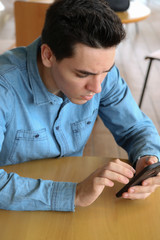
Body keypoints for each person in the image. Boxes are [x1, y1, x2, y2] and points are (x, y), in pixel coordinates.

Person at [0, 0, 160, 212]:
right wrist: (73, 194)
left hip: (72, 205)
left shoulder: (100, 73)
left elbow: (136, 128)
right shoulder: (5, 86)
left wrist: (147, 159)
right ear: (48, 55)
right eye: (82, 74)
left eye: (105, 70)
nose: (97, 87)